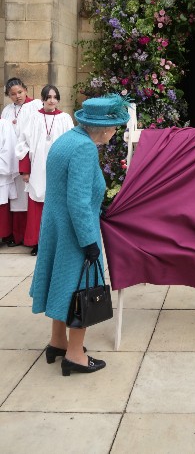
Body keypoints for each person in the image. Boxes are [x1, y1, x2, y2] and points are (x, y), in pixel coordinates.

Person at [30, 94, 130, 376]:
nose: (115, 133)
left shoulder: (67, 140)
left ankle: (58, 342)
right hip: (75, 231)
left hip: (56, 228)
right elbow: (78, 201)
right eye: (115, 128)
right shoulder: (84, 149)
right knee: (81, 290)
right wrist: (89, 241)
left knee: (62, 284)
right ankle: (75, 356)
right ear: (103, 128)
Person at [16, 85, 73, 255]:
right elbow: (23, 144)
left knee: (57, 206)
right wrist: (25, 170)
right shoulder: (33, 118)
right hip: (38, 169)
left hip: (58, 169)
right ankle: (37, 243)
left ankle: (57, 244)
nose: (52, 100)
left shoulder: (65, 119)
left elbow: (71, 144)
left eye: (55, 97)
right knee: (37, 205)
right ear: (42, 99)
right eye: (48, 97)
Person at [1, 77, 41, 246]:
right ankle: (15, 236)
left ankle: (30, 237)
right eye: (13, 94)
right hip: (11, 159)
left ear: (25, 89)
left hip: (29, 157)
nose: (17, 96)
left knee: (29, 197)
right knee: (15, 198)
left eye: (20, 92)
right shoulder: (7, 110)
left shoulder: (35, 106)